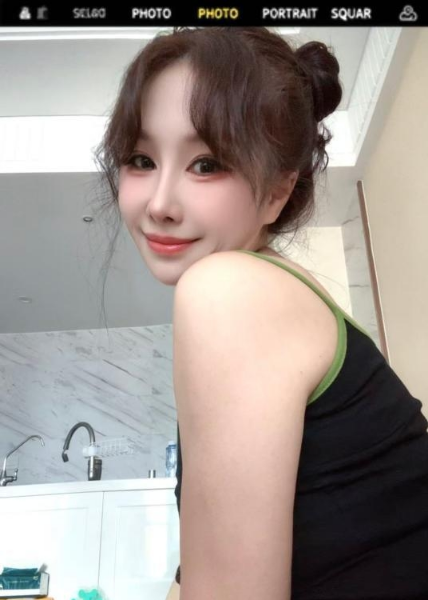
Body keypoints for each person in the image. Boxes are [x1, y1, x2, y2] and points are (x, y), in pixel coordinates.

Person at [94, 27, 428, 600]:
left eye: (207, 165)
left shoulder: (228, 291)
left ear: (277, 191)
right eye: (141, 159)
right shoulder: (277, 294)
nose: (160, 203)